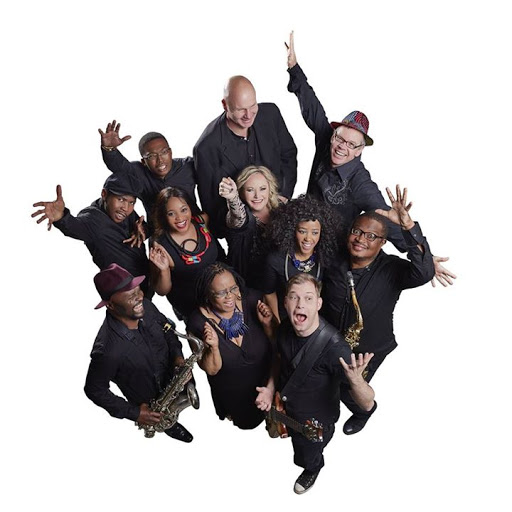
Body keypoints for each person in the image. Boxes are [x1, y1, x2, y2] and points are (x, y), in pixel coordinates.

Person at [285, 31, 456, 286]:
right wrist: (294, 69)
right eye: (339, 139)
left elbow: (386, 218)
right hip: (302, 237)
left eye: (351, 145)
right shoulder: (327, 141)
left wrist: (425, 257)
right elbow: (312, 108)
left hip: (333, 255)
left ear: (359, 151)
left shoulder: (360, 182)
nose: (341, 147)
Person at [321, 185, 434, 435]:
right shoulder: (333, 259)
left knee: (350, 391)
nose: (361, 239)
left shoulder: (393, 269)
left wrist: (408, 227)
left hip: (368, 348)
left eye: (371, 236)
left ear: (383, 242)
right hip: (330, 341)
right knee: (323, 385)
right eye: (357, 231)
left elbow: (425, 272)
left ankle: (364, 413)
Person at [257, 273, 375, 494]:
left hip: (314, 424)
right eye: (294, 297)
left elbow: (368, 403)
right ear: (285, 302)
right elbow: (278, 359)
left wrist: (356, 381)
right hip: (287, 410)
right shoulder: (284, 328)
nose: (300, 304)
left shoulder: (336, 349)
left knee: (306, 456)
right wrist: (270, 389)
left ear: (319, 304)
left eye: (308, 298)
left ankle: (313, 468)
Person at [84, 263, 193, 443]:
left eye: (138, 290)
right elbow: (94, 389)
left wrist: (178, 357)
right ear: (110, 305)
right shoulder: (107, 350)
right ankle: (168, 424)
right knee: (161, 417)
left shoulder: (146, 306)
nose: (139, 297)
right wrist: (135, 413)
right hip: (150, 399)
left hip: (172, 373)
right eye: (130, 296)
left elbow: (168, 331)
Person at [193, 75, 297, 237]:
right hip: (242, 234)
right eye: (241, 109)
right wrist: (242, 222)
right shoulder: (206, 147)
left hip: (280, 215)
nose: (248, 115)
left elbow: (288, 155)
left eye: (253, 105)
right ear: (225, 105)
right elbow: (212, 207)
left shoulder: (271, 114)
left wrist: (284, 195)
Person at [187, 262, 276, 430]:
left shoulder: (253, 299)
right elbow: (211, 369)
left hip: (267, 382)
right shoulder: (197, 322)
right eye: (221, 293)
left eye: (233, 288)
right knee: (247, 424)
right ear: (207, 295)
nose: (230, 296)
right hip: (233, 392)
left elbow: (277, 344)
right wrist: (213, 347)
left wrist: (268, 324)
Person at [32, 174, 150, 292]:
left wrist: (143, 230)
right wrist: (61, 217)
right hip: (124, 292)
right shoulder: (92, 219)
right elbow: (74, 226)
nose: (126, 208)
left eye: (132, 202)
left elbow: (145, 231)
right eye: (121, 199)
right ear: (104, 194)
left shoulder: (126, 212)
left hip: (146, 281)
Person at [99, 121, 196, 230]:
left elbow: (208, 163)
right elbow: (119, 167)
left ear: (170, 152)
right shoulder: (139, 173)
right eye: (151, 156)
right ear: (144, 162)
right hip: (160, 234)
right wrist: (109, 149)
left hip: (194, 227)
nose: (160, 161)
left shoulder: (187, 166)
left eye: (164, 152)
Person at [149, 187, 225, 320]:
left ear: (190, 208)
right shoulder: (160, 245)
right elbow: (161, 291)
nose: (179, 218)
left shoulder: (202, 221)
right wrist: (164, 270)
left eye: (183, 210)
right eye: (171, 213)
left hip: (222, 292)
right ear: (163, 216)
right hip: (193, 306)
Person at [261, 195, 341, 320]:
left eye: (315, 233)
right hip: (285, 319)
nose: (308, 238)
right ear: (292, 230)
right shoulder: (275, 260)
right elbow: (269, 294)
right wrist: (276, 325)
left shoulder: (326, 259)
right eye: (302, 231)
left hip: (315, 321)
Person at [218, 165, 280, 288]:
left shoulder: (281, 210)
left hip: (276, 282)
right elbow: (238, 217)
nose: (257, 196)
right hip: (246, 284)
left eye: (262, 189)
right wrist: (233, 198)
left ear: (270, 189)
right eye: (250, 190)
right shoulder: (240, 215)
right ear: (241, 192)